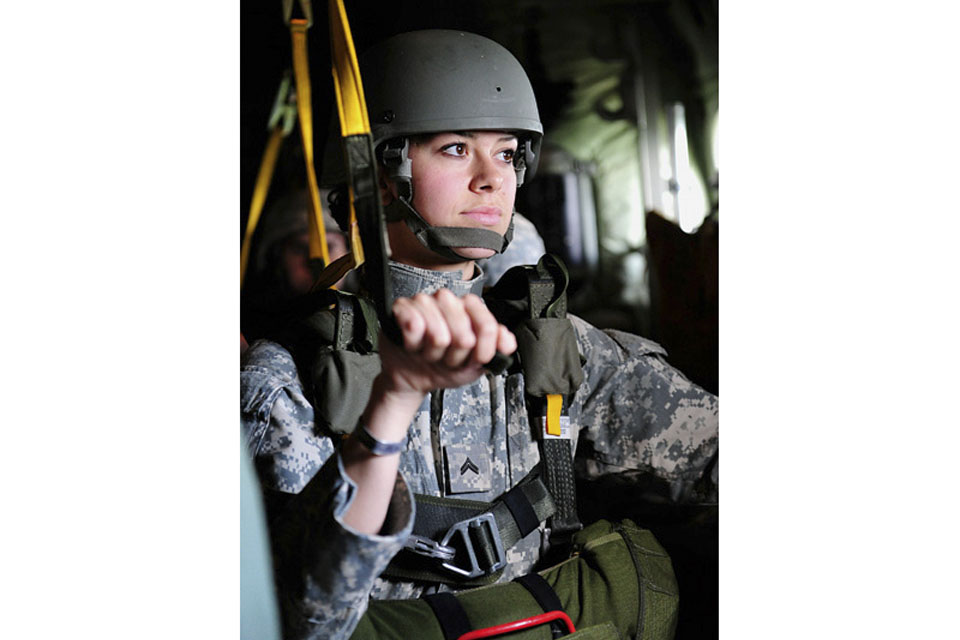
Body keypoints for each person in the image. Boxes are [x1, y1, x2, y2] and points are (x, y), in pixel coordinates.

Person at [240, 29, 718, 640]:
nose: (493, 178)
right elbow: (307, 616)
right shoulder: (292, 377)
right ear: (381, 176)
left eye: (509, 151)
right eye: (456, 149)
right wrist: (393, 403)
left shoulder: (554, 346)